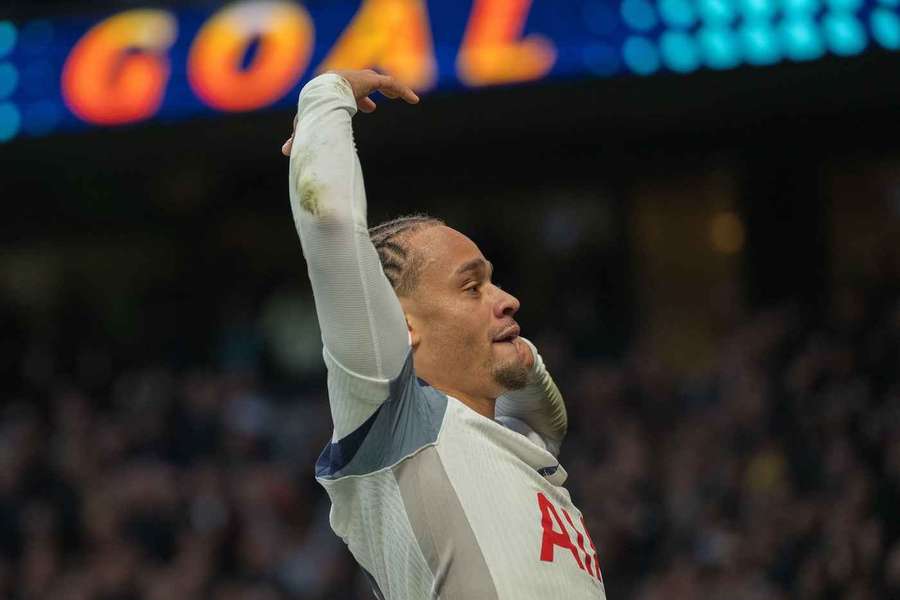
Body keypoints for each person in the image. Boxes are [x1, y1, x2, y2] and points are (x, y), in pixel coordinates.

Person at [281, 69, 606, 599]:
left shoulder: (520, 439)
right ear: (401, 325)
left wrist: (508, 343)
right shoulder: (391, 420)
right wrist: (327, 98)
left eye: (493, 281)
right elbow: (330, 219)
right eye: (472, 287)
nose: (507, 299)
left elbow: (540, 399)